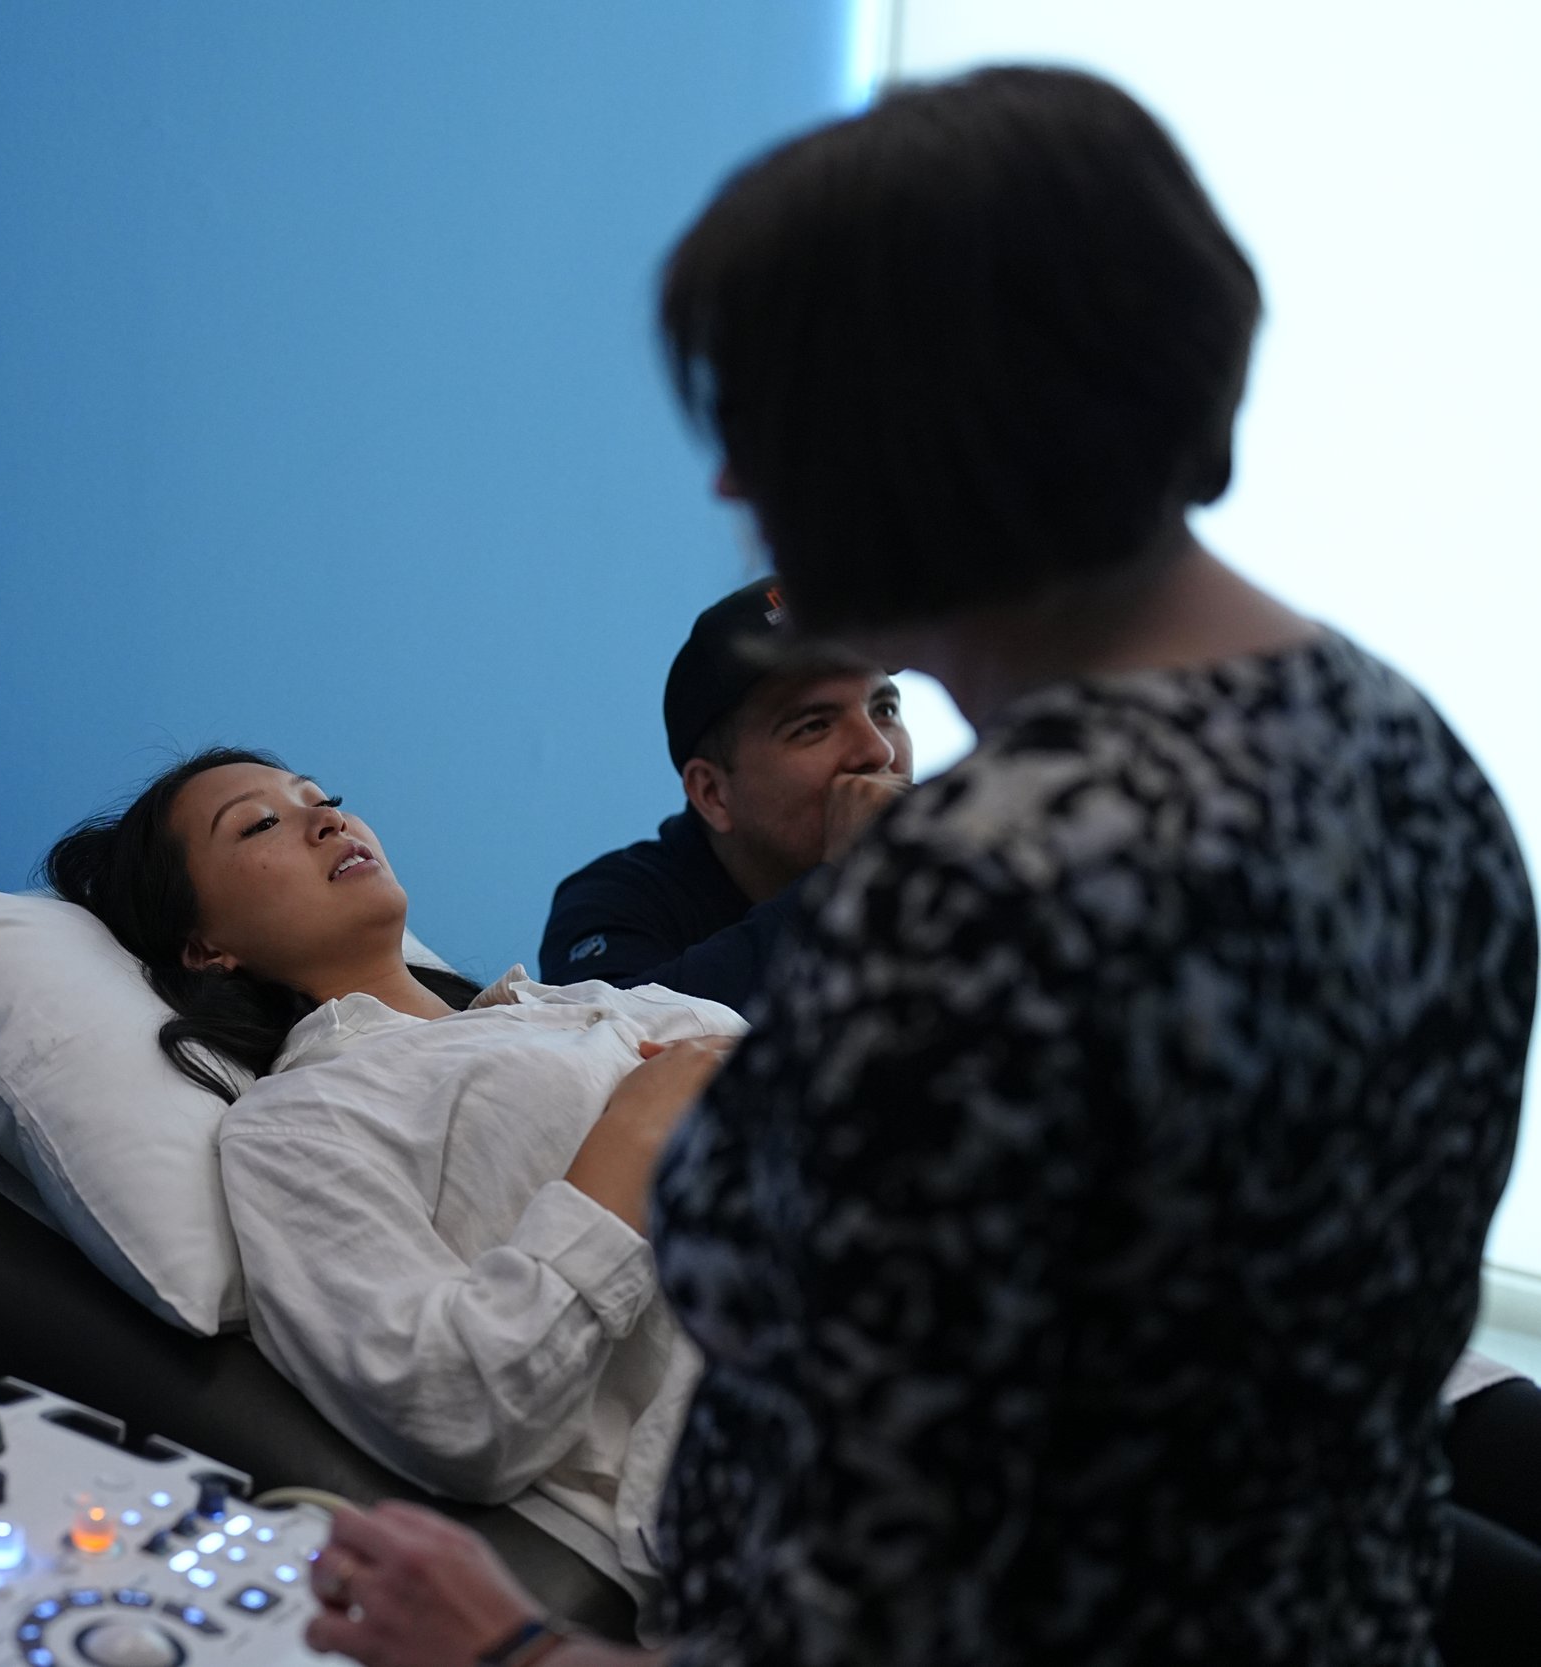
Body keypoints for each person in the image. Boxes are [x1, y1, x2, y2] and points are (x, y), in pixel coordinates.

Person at [303, 65, 1537, 1667]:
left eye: (762, 428)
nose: (737, 491)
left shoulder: (983, 899)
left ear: (922, 431)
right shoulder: (1409, 755)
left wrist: (505, 1648)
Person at [46, 748, 741, 1593]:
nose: (327, 819)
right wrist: (631, 1139)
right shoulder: (302, 1122)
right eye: (262, 823)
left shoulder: (584, 1005)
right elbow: (460, 1404)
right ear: (204, 944)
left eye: (323, 798)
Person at [539, 580, 910, 1008]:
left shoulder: (957, 863)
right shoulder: (616, 899)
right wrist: (843, 885)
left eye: (884, 710)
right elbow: (607, 1031)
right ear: (713, 793)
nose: (877, 751)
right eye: (814, 726)